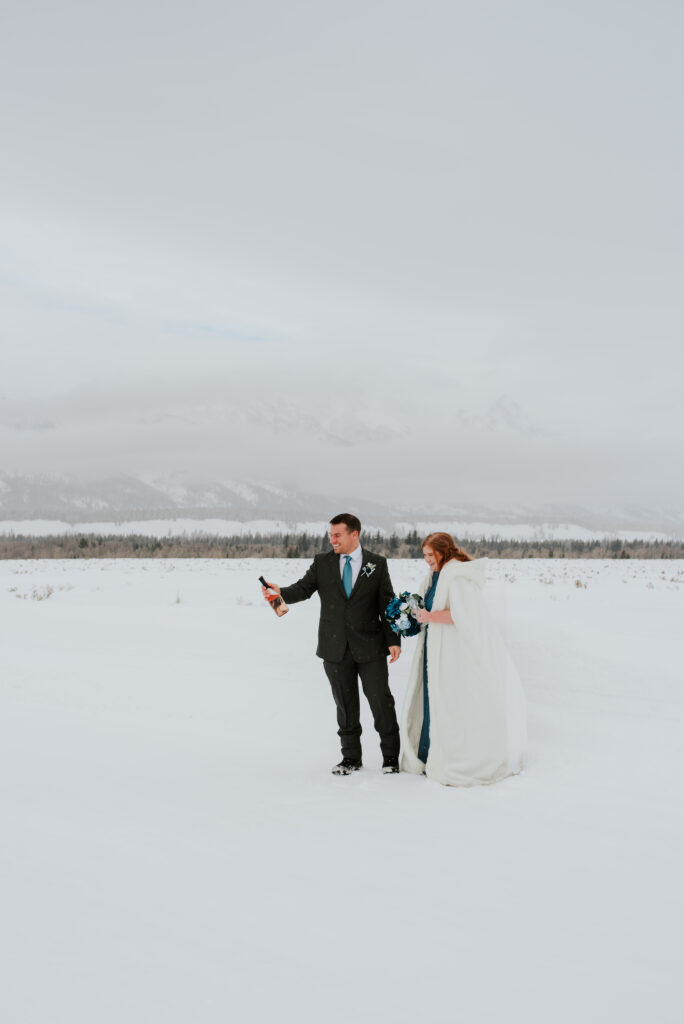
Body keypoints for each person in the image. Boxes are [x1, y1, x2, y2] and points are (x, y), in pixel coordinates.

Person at [261, 514, 402, 775]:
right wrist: (279, 592)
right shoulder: (322, 562)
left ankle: (391, 759)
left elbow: (387, 605)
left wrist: (394, 640)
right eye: (330, 535)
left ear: (354, 534)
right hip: (334, 648)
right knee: (345, 705)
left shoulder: (377, 564)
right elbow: (303, 589)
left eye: (337, 535)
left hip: (370, 646)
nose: (332, 539)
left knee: (381, 703)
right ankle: (351, 759)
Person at [400, 532, 526, 786]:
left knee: (448, 702)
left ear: (442, 552)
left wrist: (429, 617)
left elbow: (463, 614)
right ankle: (427, 754)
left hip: (451, 654)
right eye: (423, 556)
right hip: (433, 652)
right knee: (430, 701)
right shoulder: (434, 576)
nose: (426, 560)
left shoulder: (457, 577)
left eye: (429, 555)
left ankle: (449, 757)